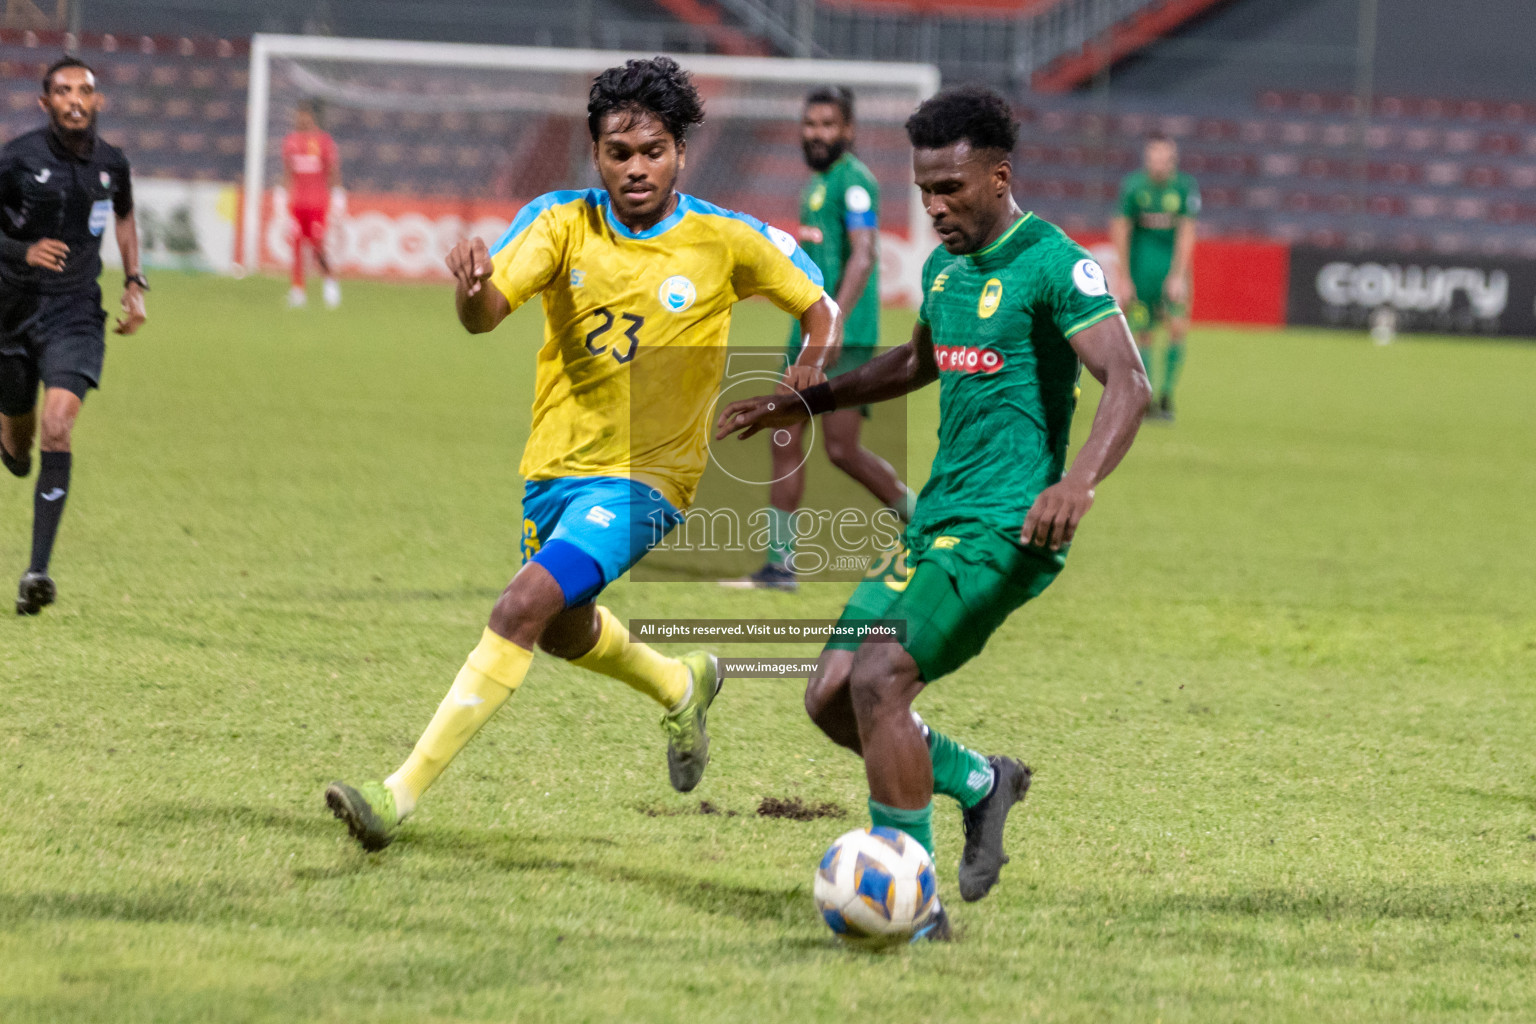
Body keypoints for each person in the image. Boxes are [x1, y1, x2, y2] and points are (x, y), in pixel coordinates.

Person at [325, 57, 840, 852]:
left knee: (518, 607)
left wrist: (809, 367)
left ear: (680, 153)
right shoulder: (559, 221)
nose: (636, 168)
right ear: (595, 153)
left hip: (650, 480)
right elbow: (485, 315)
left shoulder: (726, 240)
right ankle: (681, 683)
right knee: (564, 630)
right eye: (618, 152)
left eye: (654, 150)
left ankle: (395, 797)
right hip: (552, 470)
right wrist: (468, 290)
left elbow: (820, 304)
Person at [716, 86, 1150, 940]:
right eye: (924, 191)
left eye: (952, 188)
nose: (936, 207)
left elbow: (1129, 382)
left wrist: (1080, 483)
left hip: (1008, 528)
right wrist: (809, 400)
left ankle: (916, 910)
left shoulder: (1054, 263)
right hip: (936, 523)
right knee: (830, 697)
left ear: (1000, 175)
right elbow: (915, 364)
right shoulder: (946, 269)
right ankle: (984, 782)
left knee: (880, 678)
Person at [728, 85, 914, 591]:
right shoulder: (818, 184)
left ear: (848, 130)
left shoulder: (855, 184)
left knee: (805, 439)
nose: (817, 133)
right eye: (811, 124)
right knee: (823, 445)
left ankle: (780, 565)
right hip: (813, 331)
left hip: (838, 336)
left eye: (828, 125)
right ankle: (922, 524)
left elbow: (864, 253)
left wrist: (835, 321)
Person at [0, 56, 145, 615]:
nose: (75, 99)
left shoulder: (113, 164)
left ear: (98, 101)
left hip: (76, 314)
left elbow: (126, 216)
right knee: (17, 454)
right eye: (63, 91)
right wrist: (22, 251)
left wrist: (134, 282)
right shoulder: (17, 158)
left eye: (85, 90)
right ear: (45, 104)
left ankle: (37, 571)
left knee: (58, 427)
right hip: (12, 312)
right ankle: (9, 439)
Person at [1111, 132, 1198, 421]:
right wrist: (1124, 276)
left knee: (1176, 327)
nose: (1158, 164)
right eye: (1153, 158)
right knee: (1144, 332)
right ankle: (1146, 398)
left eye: (1164, 158)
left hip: (1170, 272)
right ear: (1147, 159)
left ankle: (1167, 395)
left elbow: (1186, 232)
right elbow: (1120, 229)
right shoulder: (1134, 187)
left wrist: (1178, 275)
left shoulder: (1184, 188)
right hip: (1140, 272)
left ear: (1172, 160)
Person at [281, 103, 342, 309]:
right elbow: (288, 171)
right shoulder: (291, 141)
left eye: (305, 116)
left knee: (317, 244)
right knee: (297, 245)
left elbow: (332, 170)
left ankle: (329, 282)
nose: (301, 120)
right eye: (299, 116)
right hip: (296, 203)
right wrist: (282, 194)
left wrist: (338, 193)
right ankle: (298, 290)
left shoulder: (323, 142)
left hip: (317, 203)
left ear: (312, 117)